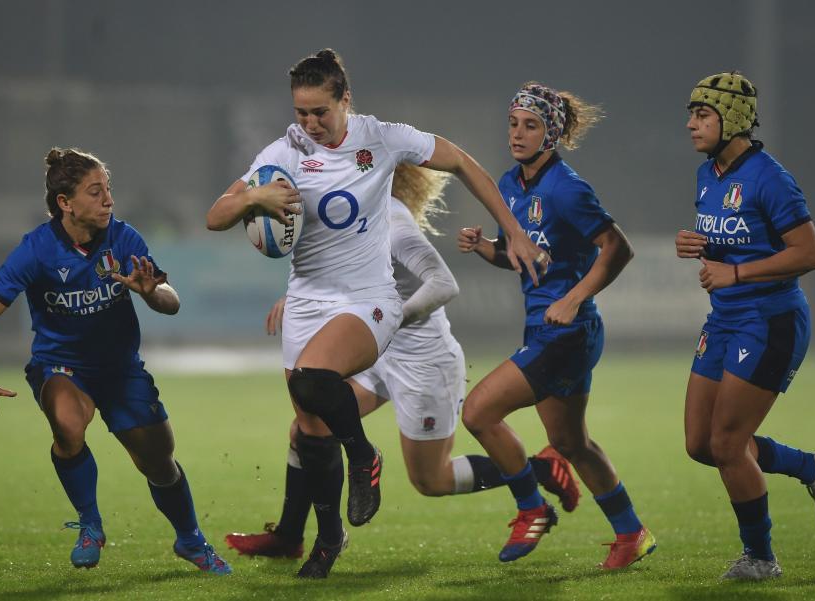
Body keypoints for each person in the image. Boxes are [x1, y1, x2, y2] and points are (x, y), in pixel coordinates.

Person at [205, 49, 547, 578]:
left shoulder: (381, 137)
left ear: (346, 100)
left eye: (320, 111)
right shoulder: (284, 152)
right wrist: (255, 196)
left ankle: (364, 457)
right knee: (309, 427)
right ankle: (321, 540)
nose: (310, 123)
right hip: (308, 300)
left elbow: (458, 160)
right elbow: (215, 215)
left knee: (316, 382)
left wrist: (514, 231)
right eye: (300, 113)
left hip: (369, 300)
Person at [223, 164, 580, 567]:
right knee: (308, 427)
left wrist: (390, 318)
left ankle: (538, 469)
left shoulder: (392, 221)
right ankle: (289, 537)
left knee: (432, 479)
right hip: (378, 351)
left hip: (423, 360)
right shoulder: (341, 216)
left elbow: (444, 283)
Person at [0, 148, 231, 575]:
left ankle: (190, 540)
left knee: (158, 460)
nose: (108, 200)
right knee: (68, 425)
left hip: (121, 370)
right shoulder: (36, 250)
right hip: (61, 366)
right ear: (65, 203)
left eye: (108, 190)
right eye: (95, 192)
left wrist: (149, 292)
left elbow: (171, 301)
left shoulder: (124, 238)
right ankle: (90, 523)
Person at [458, 82, 655, 569]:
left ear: (552, 135)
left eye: (531, 125)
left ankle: (532, 508)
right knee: (571, 444)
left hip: (568, 333)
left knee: (478, 412)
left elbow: (619, 248)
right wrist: (490, 249)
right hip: (547, 330)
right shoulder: (509, 186)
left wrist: (572, 297)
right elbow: (524, 258)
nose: (518, 134)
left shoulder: (567, 188)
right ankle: (633, 533)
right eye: (513, 123)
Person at [678, 71, 815, 580]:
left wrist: (736, 271)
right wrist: (701, 248)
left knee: (728, 444)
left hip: (770, 321)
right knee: (700, 444)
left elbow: (810, 254)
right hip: (726, 319)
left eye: (703, 114)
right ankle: (810, 466)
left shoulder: (770, 176)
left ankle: (761, 560)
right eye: (692, 114)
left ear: (733, 119)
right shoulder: (710, 174)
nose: (691, 124)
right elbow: (739, 241)